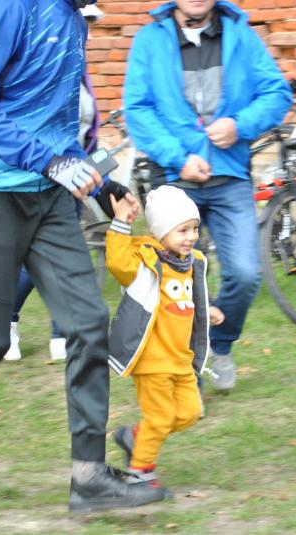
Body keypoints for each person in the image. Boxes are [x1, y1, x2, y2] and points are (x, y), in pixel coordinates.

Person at [0, 0, 164, 517]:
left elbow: (60, 128)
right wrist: (48, 161)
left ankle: (88, 477)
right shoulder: (12, 8)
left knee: (87, 323)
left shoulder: (74, 20)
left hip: (50, 200)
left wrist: (99, 183)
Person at [122, 0, 291, 392]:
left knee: (246, 274)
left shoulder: (241, 36)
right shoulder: (149, 40)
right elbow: (138, 110)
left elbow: (277, 93)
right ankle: (187, 370)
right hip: (176, 180)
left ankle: (221, 341)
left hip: (230, 177)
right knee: (178, 281)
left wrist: (239, 125)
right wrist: (178, 158)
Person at [4, 2, 105, 362]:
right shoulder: (47, 63)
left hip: (73, 176)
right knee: (39, 262)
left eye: (88, 23)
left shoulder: (79, 69)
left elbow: (82, 133)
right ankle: (8, 321)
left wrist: (102, 178)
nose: (81, 30)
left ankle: (59, 332)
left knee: (62, 260)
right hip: (37, 175)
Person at [105, 185, 224, 492]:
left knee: (189, 413)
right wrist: (120, 225)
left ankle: (135, 436)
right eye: (182, 230)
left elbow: (186, 299)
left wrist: (206, 309)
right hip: (153, 360)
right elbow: (117, 262)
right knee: (160, 417)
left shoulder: (190, 262)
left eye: (194, 228)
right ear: (161, 231)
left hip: (181, 360)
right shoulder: (145, 261)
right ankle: (140, 472)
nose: (191, 236)